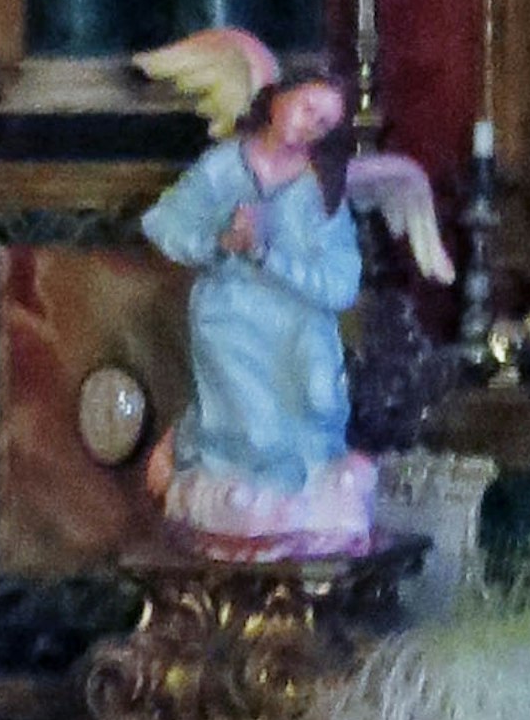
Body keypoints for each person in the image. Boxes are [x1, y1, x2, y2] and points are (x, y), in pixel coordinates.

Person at [131, 27, 374, 550]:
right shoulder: (224, 168)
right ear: (280, 96)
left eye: (326, 122)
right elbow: (163, 225)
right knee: (260, 438)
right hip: (232, 318)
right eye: (309, 108)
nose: (312, 126)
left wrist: (268, 255)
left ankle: (208, 449)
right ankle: (196, 450)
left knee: (320, 401)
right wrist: (221, 243)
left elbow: (342, 283)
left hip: (297, 318)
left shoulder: (319, 191)